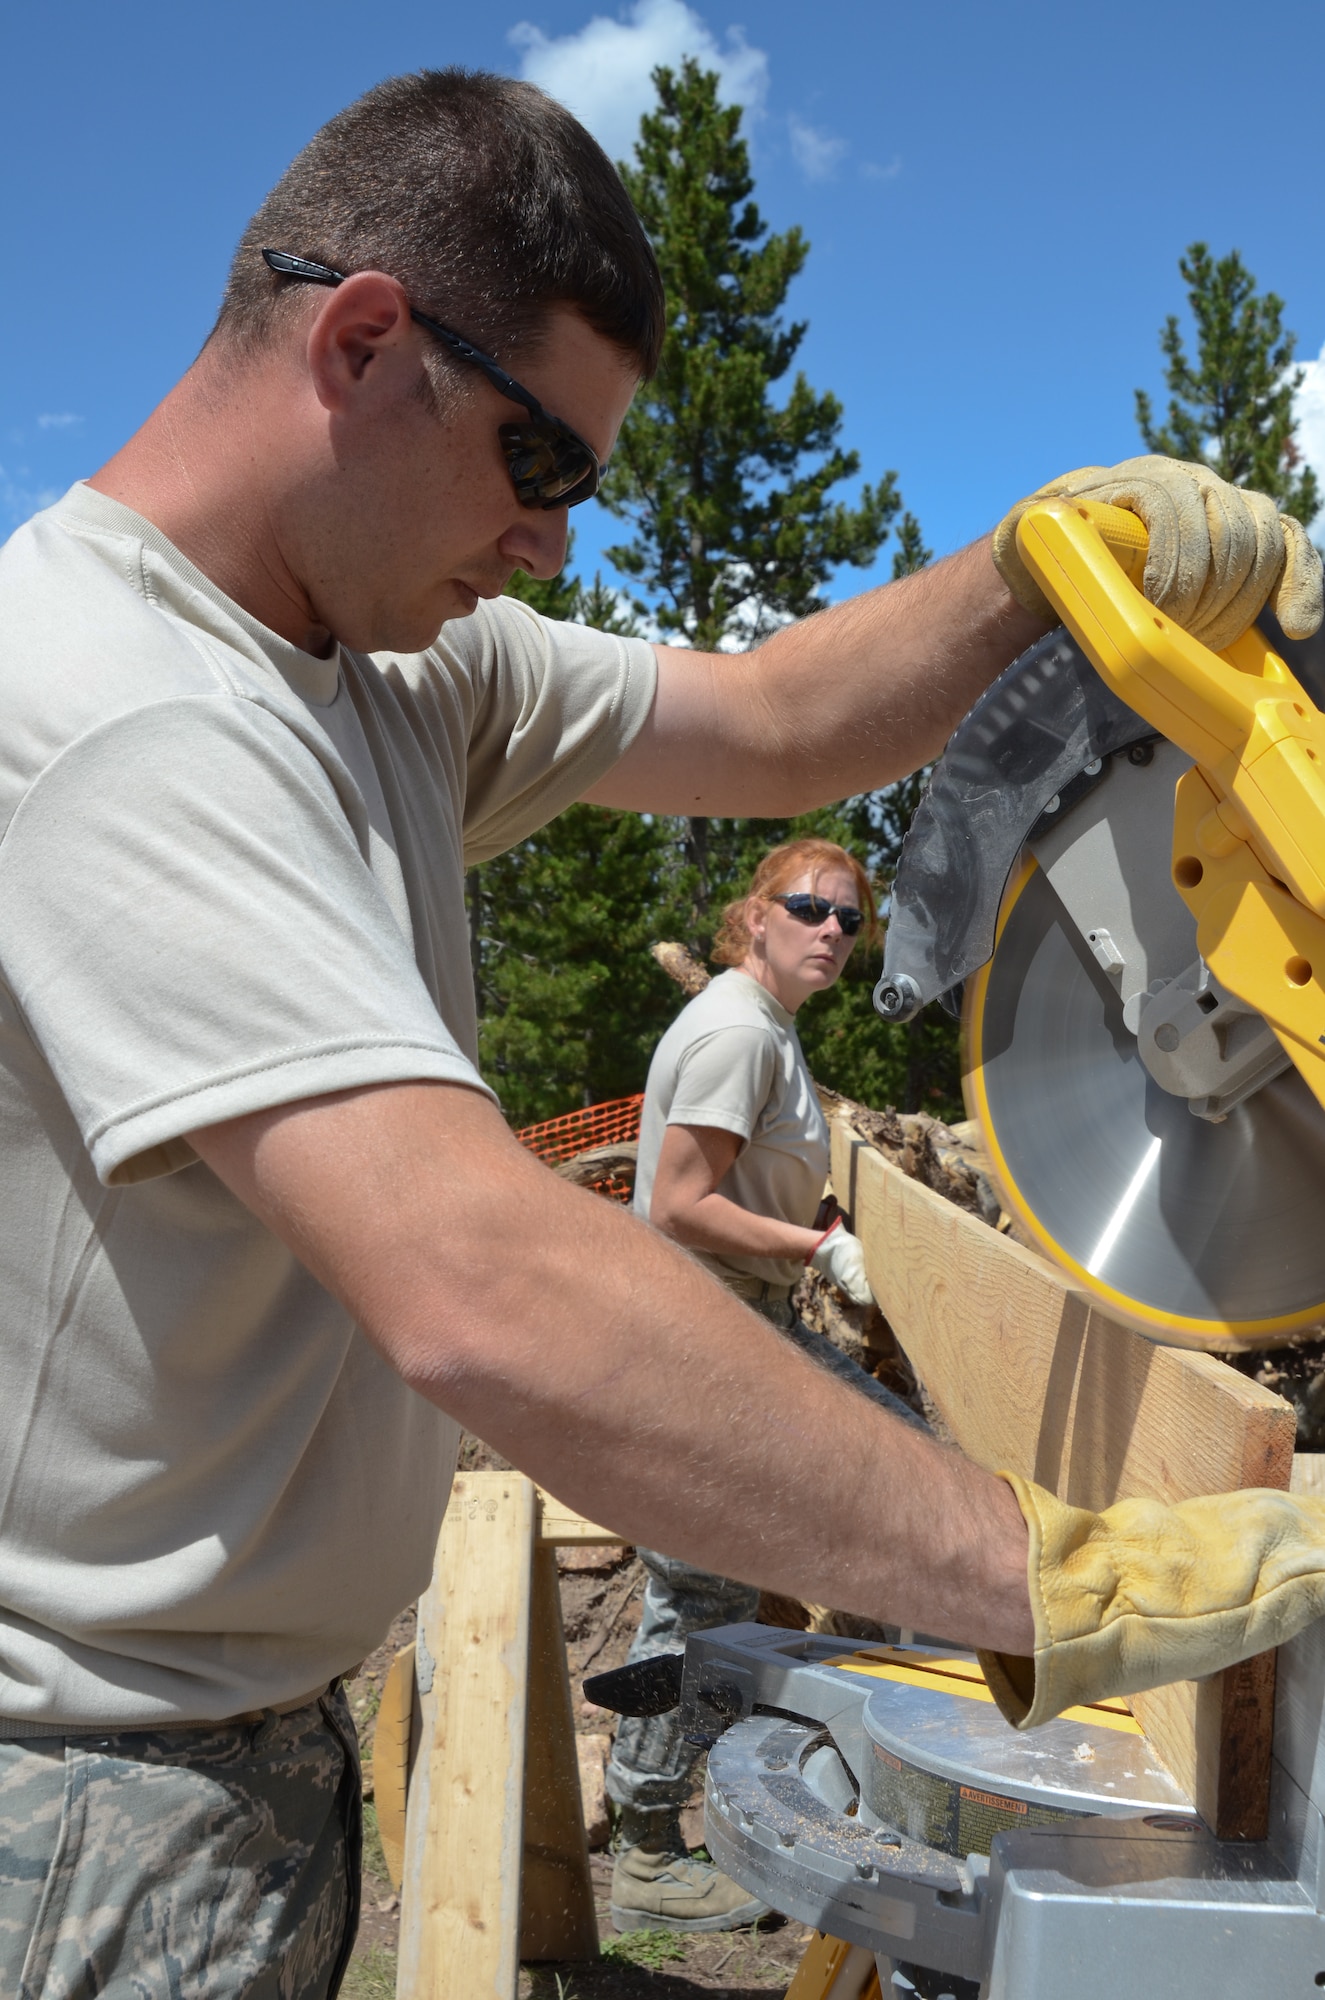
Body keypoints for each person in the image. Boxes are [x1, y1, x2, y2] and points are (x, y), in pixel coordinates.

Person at [1, 66, 1324, 1998]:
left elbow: (779, 716)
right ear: (366, 341)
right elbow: (491, 1290)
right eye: (538, 462)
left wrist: (1037, 568)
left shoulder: (384, 668)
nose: (549, 547)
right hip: (90, 1796)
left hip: (228, 1745)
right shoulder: (128, 717)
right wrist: (1050, 1571)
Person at [609, 836, 926, 1932]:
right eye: (808, 908)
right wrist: (815, 1251)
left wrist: (823, 1227)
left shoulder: (767, 1031)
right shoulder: (738, 1029)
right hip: (693, 1336)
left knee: (768, 1559)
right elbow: (678, 1202)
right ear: (753, 917)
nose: (833, 930)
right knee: (698, 1594)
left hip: (724, 1327)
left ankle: (780, 1787)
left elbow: (742, 1179)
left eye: (850, 918)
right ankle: (646, 1847)